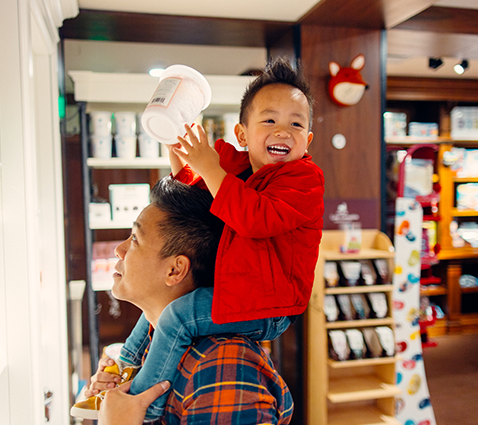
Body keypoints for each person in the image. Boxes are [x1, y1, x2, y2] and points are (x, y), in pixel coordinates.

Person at [71, 57, 324, 422]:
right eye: (269, 120)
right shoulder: (234, 165)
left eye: (296, 124)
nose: (283, 131)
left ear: (308, 140)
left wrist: (207, 166)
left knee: (175, 316)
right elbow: (193, 191)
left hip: (272, 305)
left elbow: (254, 217)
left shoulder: (305, 181)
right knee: (157, 314)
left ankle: (145, 400)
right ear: (242, 134)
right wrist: (179, 144)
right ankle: (122, 370)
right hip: (239, 290)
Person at [81, 177, 294, 424]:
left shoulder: (221, 365)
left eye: (135, 239)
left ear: (175, 270)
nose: (119, 249)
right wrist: (116, 398)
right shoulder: (154, 341)